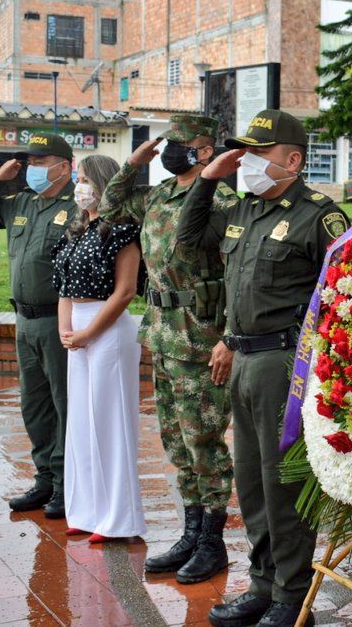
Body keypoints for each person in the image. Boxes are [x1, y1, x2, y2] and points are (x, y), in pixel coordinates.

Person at [177, 109, 350, 627]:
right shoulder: (245, 210)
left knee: (283, 486)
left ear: (293, 160)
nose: (247, 163)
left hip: (286, 364)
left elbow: (342, 296)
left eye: (259, 153)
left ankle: (291, 597)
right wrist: (209, 177)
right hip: (243, 357)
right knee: (251, 484)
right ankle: (261, 585)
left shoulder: (319, 216)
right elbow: (190, 237)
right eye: (244, 153)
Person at [99, 115, 237, 583]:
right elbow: (110, 207)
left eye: (178, 145)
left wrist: (229, 338)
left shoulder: (223, 199)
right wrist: (133, 164)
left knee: (205, 441)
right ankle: (191, 532)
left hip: (201, 338)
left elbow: (237, 273)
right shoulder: (158, 195)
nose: (169, 152)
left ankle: (212, 543)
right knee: (177, 441)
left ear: (203, 149)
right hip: (161, 332)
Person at [0, 133, 77, 518]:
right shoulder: (23, 204)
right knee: (34, 405)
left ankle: (67, 486)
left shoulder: (78, 208)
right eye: (29, 162)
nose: (32, 168)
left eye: (40, 161)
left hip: (57, 321)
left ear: (63, 166)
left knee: (64, 404)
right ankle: (45, 479)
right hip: (24, 319)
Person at [52, 154, 146, 544]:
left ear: (105, 183)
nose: (80, 186)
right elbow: (63, 288)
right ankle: (87, 510)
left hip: (107, 331)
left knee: (110, 423)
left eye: (87, 178)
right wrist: (66, 328)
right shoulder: (75, 230)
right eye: (77, 178)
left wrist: (89, 331)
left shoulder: (122, 229)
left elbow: (125, 292)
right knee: (82, 425)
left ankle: (119, 518)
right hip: (77, 331)